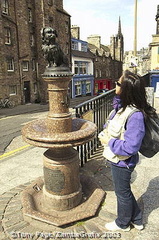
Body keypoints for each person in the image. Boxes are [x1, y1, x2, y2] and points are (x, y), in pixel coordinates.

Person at [98, 70, 157, 232]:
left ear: (125, 88)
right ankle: (137, 219)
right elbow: (115, 122)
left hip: (123, 161)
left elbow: (131, 147)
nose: (115, 85)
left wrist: (108, 141)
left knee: (122, 193)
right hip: (117, 158)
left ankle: (122, 223)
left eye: (118, 83)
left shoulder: (135, 115)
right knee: (125, 191)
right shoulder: (122, 105)